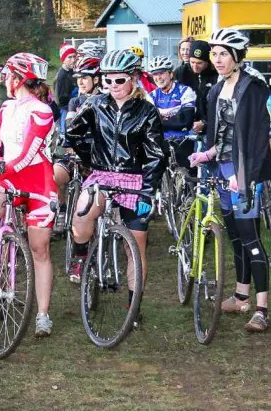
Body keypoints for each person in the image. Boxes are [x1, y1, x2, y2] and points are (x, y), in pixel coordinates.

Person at [66, 49, 166, 323]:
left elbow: (157, 154)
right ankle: (82, 255)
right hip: (101, 175)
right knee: (82, 213)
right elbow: (73, 132)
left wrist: (148, 188)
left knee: (136, 245)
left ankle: (134, 307)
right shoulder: (96, 104)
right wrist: (90, 158)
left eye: (119, 81)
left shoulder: (147, 111)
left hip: (135, 180)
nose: (113, 87)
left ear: (133, 79)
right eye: (107, 81)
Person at [188, 28, 271, 333]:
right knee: (235, 236)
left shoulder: (253, 88)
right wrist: (206, 154)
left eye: (223, 53)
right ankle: (240, 295)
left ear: (237, 56)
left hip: (246, 174)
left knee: (251, 237)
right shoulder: (215, 90)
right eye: (214, 53)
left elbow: (257, 137)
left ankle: (262, 308)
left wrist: (244, 174)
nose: (217, 59)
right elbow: (221, 135)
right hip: (221, 172)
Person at [0, 53, 58, 337]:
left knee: (40, 248)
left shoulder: (42, 110)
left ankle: (43, 314)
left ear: (18, 78)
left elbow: (27, 155)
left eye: (8, 75)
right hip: (8, 176)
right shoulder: (7, 108)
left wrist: (3, 168)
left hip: (37, 180)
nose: (4, 80)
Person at [53, 55, 101, 247]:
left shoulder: (105, 100)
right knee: (55, 175)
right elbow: (70, 126)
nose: (80, 82)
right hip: (75, 153)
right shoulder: (75, 101)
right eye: (78, 78)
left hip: (96, 157)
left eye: (85, 77)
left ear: (96, 79)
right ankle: (62, 209)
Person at [147, 55, 196, 170]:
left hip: (183, 140)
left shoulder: (185, 91)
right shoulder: (152, 96)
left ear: (170, 74)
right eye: (155, 74)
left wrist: (160, 121)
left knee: (187, 175)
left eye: (161, 73)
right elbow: (149, 124)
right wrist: (174, 119)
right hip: (161, 142)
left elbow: (185, 122)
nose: (158, 77)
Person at [186, 40, 218, 135]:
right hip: (188, 128)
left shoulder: (217, 76)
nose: (195, 66)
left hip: (210, 129)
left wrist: (205, 122)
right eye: (192, 62)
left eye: (199, 63)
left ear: (208, 62)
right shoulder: (182, 72)